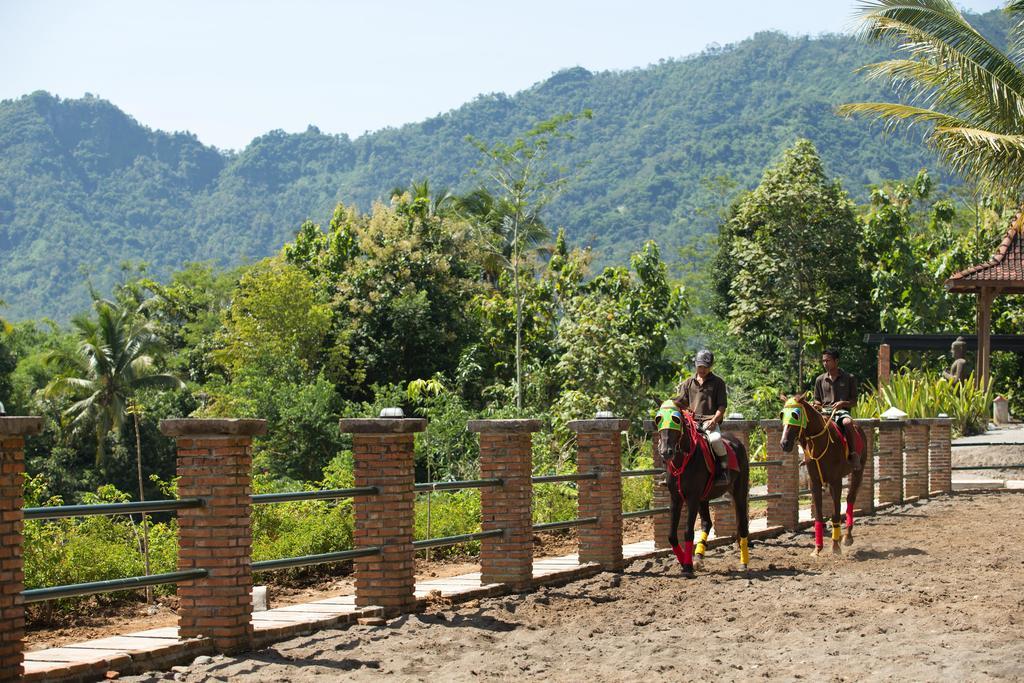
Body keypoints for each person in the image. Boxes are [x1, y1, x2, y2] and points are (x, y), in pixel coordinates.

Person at [662, 349, 729, 484]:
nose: (702, 369)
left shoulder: (718, 383)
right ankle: (668, 473)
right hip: (691, 422)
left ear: (711, 366)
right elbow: (680, 402)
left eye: (705, 367)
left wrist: (714, 420)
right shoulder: (688, 383)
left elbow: (722, 406)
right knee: (672, 439)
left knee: (715, 439)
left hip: (709, 422)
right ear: (695, 366)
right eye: (700, 366)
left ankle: (723, 471)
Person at [812, 348, 861, 470]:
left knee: (848, 422)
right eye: (823, 361)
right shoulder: (819, 379)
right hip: (824, 412)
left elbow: (854, 401)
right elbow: (817, 399)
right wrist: (817, 405)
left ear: (836, 361)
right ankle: (808, 455)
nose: (825, 363)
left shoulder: (849, 378)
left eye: (828, 360)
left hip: (841, 411)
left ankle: (853, 454)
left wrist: (842, 403)